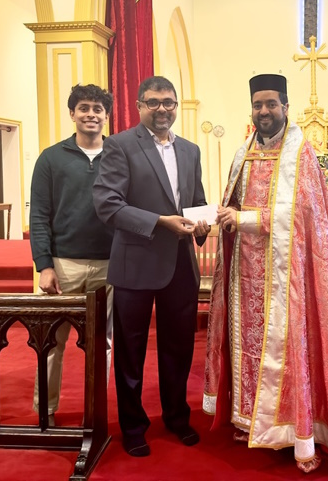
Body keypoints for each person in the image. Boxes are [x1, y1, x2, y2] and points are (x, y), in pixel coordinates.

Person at [204, 74, 328, 474]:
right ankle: (253, 421)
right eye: (258, 105)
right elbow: (233, 199)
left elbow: (302, 214)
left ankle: (297, 431)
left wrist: (244, 219)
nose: (264, 111)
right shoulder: (243, 151)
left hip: (290, 274)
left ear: (285, 107)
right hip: (245, 273)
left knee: (291, 346)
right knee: (248, 344)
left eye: (271, 104)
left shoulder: (301, 154)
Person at [93, 75, 210, 457]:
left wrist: (202, 224)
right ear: (140, 106)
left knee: (179, 347)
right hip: (136, 262)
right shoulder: (120, 145)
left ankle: (176, 416)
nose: (162, 109)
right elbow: (108, 204)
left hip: (180, 265)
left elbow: (196, 201)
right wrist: (160, 222)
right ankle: (133, 426)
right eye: (154, 102)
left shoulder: (190, 150)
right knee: (131, 351)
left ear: (176, 106)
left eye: (168, 102)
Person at [30, 84, 115, 426]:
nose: (91, 114)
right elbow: (39, 214)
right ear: (72, 113)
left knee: (103, 342)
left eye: (97, 109)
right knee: (51, 342)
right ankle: (46, 410)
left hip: (110, 264)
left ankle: (96, 411)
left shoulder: (119, 155)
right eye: (84, 108)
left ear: (106, 116)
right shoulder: (51, 158)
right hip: (63, 264)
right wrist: (44, 265)